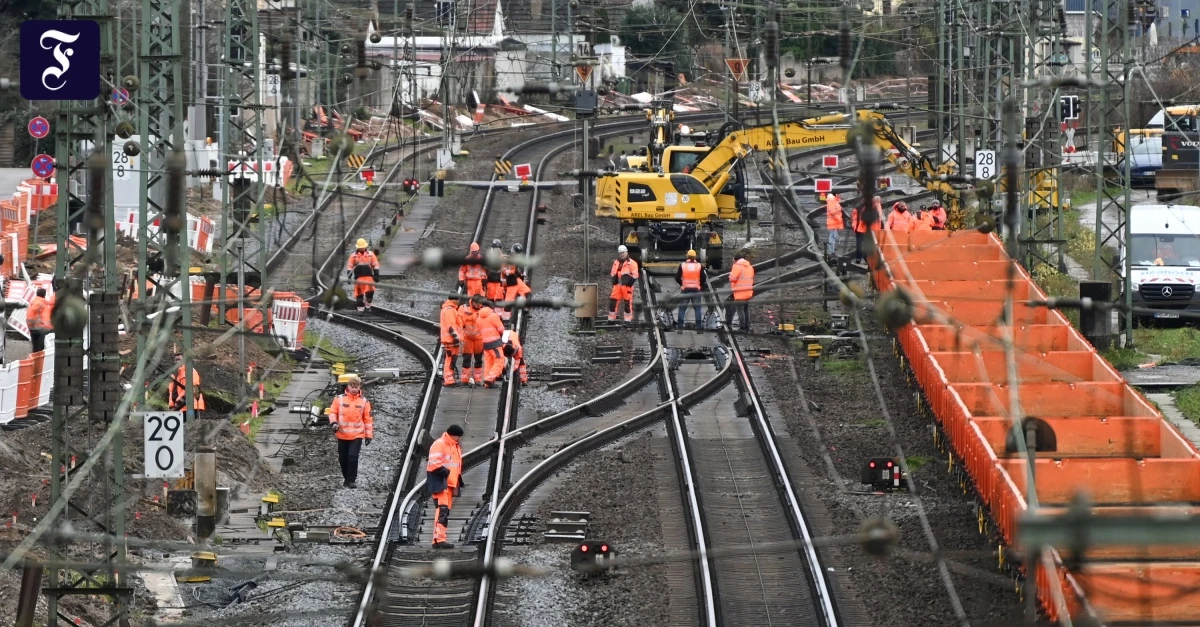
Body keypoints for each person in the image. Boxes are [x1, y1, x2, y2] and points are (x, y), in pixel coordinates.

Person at [328, 374, 373, 489]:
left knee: (353, 456)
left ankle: (352, 480)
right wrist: (333, 423)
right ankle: (346, 478)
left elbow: (367, 419)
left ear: (359, 387)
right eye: (352, 386)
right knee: (343, 458)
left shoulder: (364, 402)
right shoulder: (339, 399)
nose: (354, 389)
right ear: (348, 386)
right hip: (342, 434)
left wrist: (368, 435)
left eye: (356, 387)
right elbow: (333, 412)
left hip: (357, 434)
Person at [427, 424, 464, 548]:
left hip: (449, 484)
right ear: (453, 435)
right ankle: (438, 540)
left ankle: (439, 539)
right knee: (442, 510)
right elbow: (434, 463)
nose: (460, 439)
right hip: (441, 482)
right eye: (459, 437)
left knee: (444, 511)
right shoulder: (440, 444)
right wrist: (447, 473)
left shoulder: (454, 446)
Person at [476, 297, 507, 388]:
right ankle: (490, 378)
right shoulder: (493, 315)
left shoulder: (479, 318)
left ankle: (487, 382)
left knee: (488, 362)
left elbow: (478, 330)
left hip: (485, 343)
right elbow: (501, 329)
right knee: (499, 360)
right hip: (495, 343)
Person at [675, 249, 706, 331]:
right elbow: (704, 278)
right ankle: (699, 328)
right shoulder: (699, 266)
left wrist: (682, 284)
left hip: (685, 290)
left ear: (687, 256)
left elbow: (677, 277)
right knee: (698, 309)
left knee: (682, 309)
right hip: (696, 289)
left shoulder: (683, 265)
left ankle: (680, 328)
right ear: (695, 257)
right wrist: (699, 285)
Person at [346, 239, 380, 312]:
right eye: (360, 247)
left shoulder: (370, 254)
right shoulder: (353, 256)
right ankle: (360, 310)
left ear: (365, 246)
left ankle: (368, 306)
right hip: (359, 279)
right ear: (357, 247)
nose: (362, 248)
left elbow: (375, 264)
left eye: (363, 247)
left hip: (369, 278)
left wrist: (376, 274)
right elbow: (349, 266)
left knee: (370, 294)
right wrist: (349, 277)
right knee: (359, 296)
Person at [609, 245, 639, 323]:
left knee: (627, 304)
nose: (622, 254)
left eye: (623, 252)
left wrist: (629, 284)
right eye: (620, 253)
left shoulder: (632, 263)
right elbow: (613, 272)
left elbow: (635, 275)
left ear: (626, 252)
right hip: (617, 286)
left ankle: (628, 321)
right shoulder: (616, 262)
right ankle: (611, 320)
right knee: (613, 302)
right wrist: (614, 280)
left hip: (626, 287)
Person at [458, 297, 484, 385]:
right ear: (472, 302)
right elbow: (458, 320)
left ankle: (477, 380)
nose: (478, 305)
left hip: (479, 338)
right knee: (466, 358)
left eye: (479, 303)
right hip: (467, 337)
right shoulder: (463, 308)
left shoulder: (484, 310)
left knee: (478, 359)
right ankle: (464, 380)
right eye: (476, 303)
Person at [726, 252, 754, 331]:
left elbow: (732, 278)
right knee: (746, 309)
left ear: (736, 259)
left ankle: (742, 327)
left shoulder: (737, 266)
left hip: (740, 292)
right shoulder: (749, 267)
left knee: (740, 310)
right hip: (748, 292)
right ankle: (747, 326)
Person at [439, 297, 462, 387]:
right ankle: (449, 380)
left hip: (450, 339)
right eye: (458, 300)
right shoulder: (450, 310)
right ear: (454, 300)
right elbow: (451, 326)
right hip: (451, 340)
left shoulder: (448, 309)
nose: (459, 301)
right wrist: (456, 337)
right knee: (450, 359)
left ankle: (449, 379)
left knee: (451, 359)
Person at [28, 288, 52, 353]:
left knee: (35, 346)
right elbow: (45, 318)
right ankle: (39, 361)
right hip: (40, 328)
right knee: (40, 348)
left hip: (31, 327)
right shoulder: (43, 304)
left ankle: (34, 359)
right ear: (44, 295)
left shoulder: (32, 302)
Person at [485, 239, 506, 305]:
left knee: (499, 297)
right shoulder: (488, 257)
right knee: (490, 297)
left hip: (499, 281)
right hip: (491, 280)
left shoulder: (503, 258)